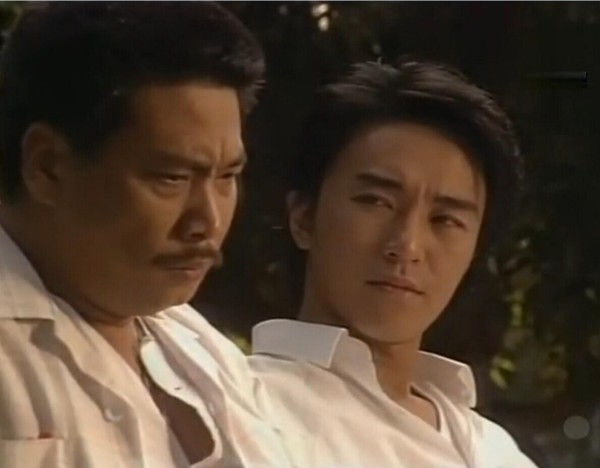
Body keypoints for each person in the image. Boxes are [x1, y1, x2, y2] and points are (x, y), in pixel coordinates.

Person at [0, 3, 293, 467]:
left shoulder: (201, 350)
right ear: (48, 166)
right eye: (172, 177)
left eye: (226, 176)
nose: (208, 221)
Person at [249, 60, 538, 467]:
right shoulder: (239, 408)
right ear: (303, 217)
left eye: (445, 220)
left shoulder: (496, 452)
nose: (408, 245)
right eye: (376, 202)